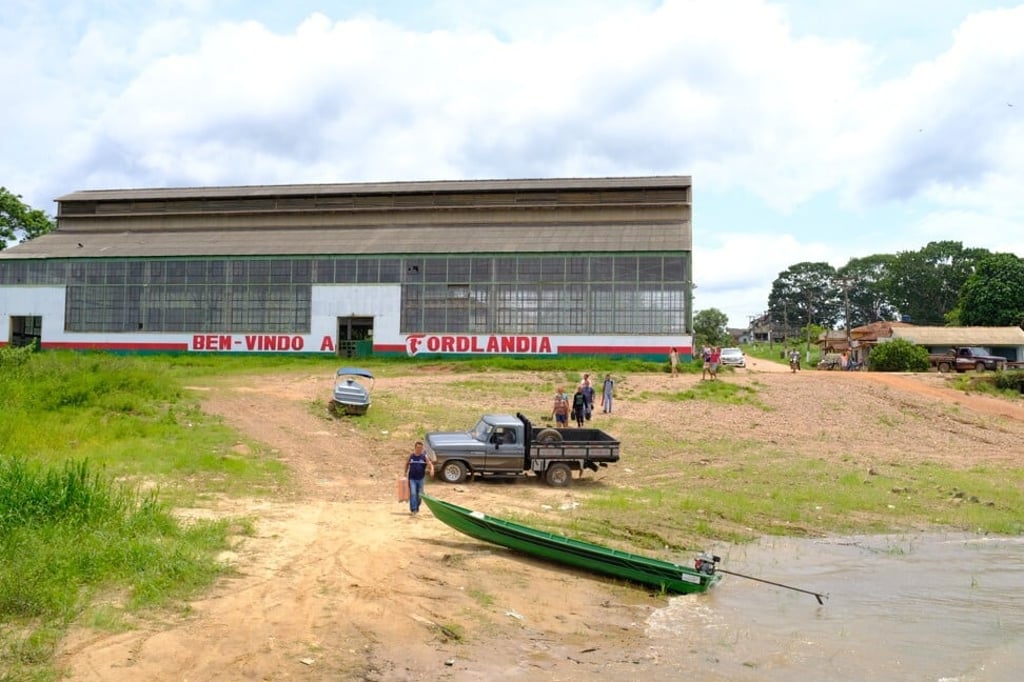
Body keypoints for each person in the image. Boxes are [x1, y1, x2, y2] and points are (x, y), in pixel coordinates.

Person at [404, 441, 434, 515]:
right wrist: (405, 473)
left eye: (421, 448)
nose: (419, 449)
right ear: (415, 448)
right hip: (412, 479)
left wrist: (432, 470)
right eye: (418, 448)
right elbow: (407, 464)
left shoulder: (424, 457)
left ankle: (416, 507)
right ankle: (414, 509)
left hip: (421, 479)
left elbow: (430, 465)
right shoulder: (411, 456)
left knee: (420, 495)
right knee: (413, 493)